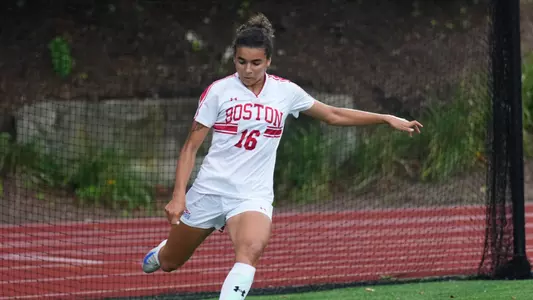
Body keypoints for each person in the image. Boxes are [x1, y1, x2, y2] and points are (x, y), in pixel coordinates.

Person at [141, 12, 422, 299]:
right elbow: (190, 147)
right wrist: (179, 195)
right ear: (234, 59)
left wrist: (384, 118)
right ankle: (163, 251)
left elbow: (333, 114)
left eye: (256, 63)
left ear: (269, 61)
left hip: (252, 195)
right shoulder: (218, 92)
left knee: (249, 251)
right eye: (241, 62)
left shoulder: (285, 92)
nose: (247, 69)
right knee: (170, 263)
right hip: (210, 190)